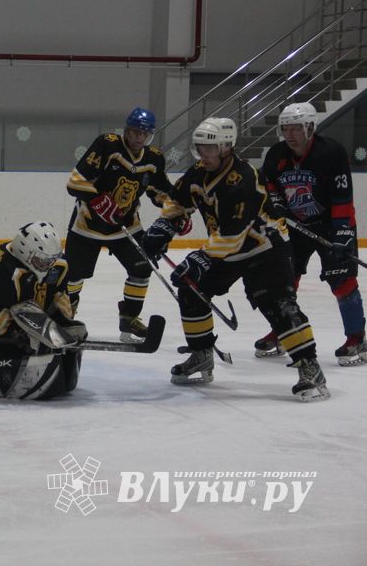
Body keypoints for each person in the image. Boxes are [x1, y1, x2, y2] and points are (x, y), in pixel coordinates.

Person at [141, 117, 330, 402]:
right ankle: (202, 354)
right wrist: (164, 226)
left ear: (226, 147)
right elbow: (178, 201)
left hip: (263, 248)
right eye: (200, 147)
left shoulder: (243, 179)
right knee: (191, 288)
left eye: (210, 148)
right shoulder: (198, 172)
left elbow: (234, 233)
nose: (204, 154)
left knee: (276, 304)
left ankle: (309, 367)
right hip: (226, 248)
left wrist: (201, 258)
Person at [255, 102, 365, 366]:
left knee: (342, 280)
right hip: (294, 225)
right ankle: (284, 331)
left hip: (331, 224)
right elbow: (267, 183)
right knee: (283, 280)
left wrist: (341, 234)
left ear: (310, 127)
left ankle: (357, 338)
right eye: (286, 128)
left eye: (296, 128)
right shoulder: (277, 153)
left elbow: (342, 196)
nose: (290, 134)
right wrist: (275, 203)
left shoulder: (331, 152)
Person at [64, 107, 179, 343]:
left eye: (143, 133)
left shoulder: (153, 158)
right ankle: (66, 315)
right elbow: (75, 181)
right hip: (87, 225)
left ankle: (129, 318)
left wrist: (176, 214)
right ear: (126, 130)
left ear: (150, 135)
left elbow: (160, 192)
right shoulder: (107, 145)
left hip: (126, 226)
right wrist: (96, 198)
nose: (138, 138)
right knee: (73, 275)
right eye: (134, 132)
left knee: (142, 268)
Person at [0, 222, 87, 399]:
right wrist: (18, 336)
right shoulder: (0, 268)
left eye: (50, 261)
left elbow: (58, 299)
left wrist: (62, 324)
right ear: (24, 252)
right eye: (41, 261)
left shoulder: (57, 265)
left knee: (70, 320)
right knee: (2, 334)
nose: (47, 266)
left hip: (27, 315)